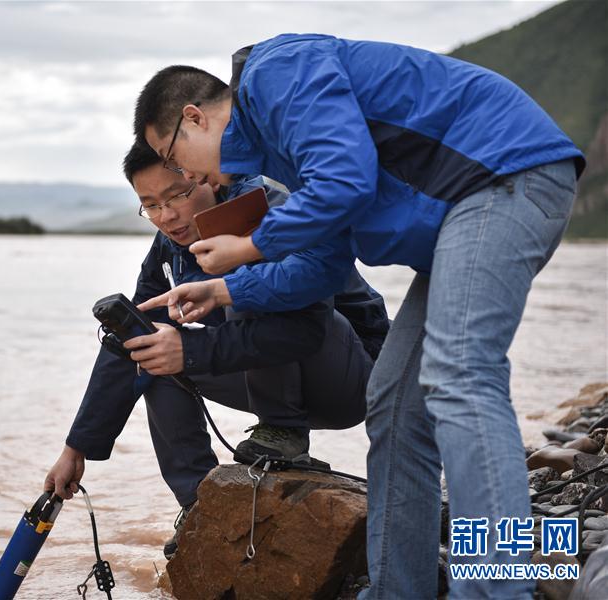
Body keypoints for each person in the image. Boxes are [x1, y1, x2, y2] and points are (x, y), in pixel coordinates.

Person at [133, 35, 585, 598]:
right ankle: (399, 589)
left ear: (195, 117)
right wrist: (225, 291)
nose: (191, 179)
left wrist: (250, 247)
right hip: (462, 217)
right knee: (394, 401)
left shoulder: (277, 73)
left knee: (461, 376)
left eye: (178, 162)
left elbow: (346, 180)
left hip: (504, 174)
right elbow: (324, 266)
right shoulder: (283, 150)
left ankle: (500, 586)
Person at [44, 140, 389, 559]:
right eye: (150, 205)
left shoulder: (266, 207)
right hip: (277, 370)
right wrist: (75, 449)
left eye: (177, 195)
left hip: (350, 372)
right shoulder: (168, 247)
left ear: (198, 174)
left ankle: (283, 429)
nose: (166, 216)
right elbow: (126, 343)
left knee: (244, 290)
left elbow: (305, 330)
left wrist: (189, 348)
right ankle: (199, 503)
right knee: (149, 349)